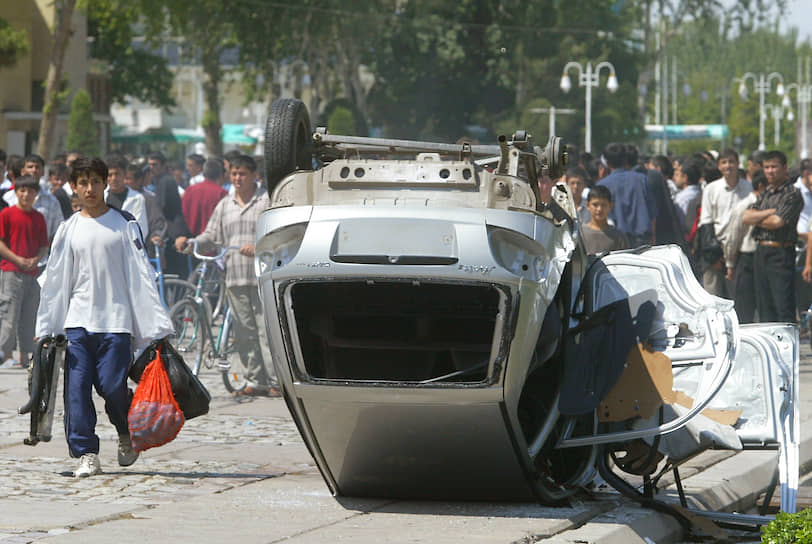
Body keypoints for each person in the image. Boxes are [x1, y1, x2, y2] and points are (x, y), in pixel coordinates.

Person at [35, 157, 174, 477]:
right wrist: (46, 326)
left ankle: (126, 431)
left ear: (105, 184)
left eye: (95, 182)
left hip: (117, 321)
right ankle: (86, 452)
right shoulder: (68, 229)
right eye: (82, 183)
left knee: (112, 386)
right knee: (78, 387)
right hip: (78, 322)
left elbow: (142, 276)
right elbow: (56, 282)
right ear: (74, 187)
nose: (89, 188)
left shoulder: (124, 224)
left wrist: (156, 325)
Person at [175, 155, 276, 397]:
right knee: (244, 332)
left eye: (242, 174)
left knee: (267, 331)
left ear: (254, 175)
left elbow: (279, 233)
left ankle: (275, 381)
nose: (237, 178)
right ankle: (254, 380)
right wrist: (190, 242)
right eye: (234, 174)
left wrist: (259, 246)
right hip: (235, 277)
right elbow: (210, 234)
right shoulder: (225, 204)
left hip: (263, 277)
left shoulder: (267, 201)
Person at [743, 150, 803, 323]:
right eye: (766, 167)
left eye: (774, 167)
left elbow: (778, 222)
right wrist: (768, 212)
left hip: (781, 253)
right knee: (764, 307)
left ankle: (789, 348)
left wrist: (758, 217)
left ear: (784, 168)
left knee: (782, 307)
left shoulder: (791, 193)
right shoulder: (765, 193)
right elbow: (746, 217)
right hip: (761, 251)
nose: (769, 171)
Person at [0, 175, 49, 368]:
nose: (26, 195)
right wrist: (18, 259)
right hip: (11, 271)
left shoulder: (38, 217)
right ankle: (5, 355)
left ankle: (24, 355)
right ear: (16, 192)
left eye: (30, 191)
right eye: (22, 191)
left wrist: (35, 260)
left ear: (36, 194)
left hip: (32, 272)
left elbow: (44, 245)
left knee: (29, 316)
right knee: (9, 314)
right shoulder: (6, 214)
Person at [697, 149, 752, 298]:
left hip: (740, 252)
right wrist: (714, 256)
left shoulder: (748, 188)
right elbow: (706, 222)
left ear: (738, 164)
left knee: (738, 301)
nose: (728, 166)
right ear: (719, 166)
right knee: (712, 300)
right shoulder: (711, 189)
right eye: (724, 162)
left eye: (731, 162)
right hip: (715, 251)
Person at [596, 143, 655, 247]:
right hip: (642, 240)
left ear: (607, 162)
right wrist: (653, 240)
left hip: (615, 240)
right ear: (625, 159)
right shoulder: (641, 179)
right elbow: (652, 214)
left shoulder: (602, 184)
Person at [728, 170, 767, 323]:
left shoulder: (770, 203)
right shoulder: (745, 206)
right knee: (745, 308)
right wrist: (731, 263)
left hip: (764, 258)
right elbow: (734, 237)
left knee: (763, 307)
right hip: (747, 259)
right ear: (761, 185)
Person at [4, 155, 64, 241]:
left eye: (37, 167)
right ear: (22, 171)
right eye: (30, 167)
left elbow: (58, 232)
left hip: (42, 253)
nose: (34, 170)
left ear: (43, 172)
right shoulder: (8, 198)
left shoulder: (52, 201)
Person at [147, 152, 188, 275]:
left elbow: (161, 207)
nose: (151, 168)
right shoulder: (159, 181)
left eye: (155, 165)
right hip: (169, 231)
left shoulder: (166, 181)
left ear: (164, 165)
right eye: (149, 165)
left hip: (174, 232)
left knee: (175, 272)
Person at [124, 164, 166, 251]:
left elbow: (157, 221)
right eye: (123, 178)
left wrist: (156, 235)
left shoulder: (149, 199)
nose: (125, 182)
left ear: (139, 180)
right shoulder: (116, 197)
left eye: (128, 179)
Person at [181, 158, 227, 237]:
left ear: (204, 174)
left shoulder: (190, 190)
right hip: (212, 240)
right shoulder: (221, 193)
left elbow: (183, 214)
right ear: (220, 175)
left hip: (191, 240)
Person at [104, 154, 149, 236]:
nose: (114, 178)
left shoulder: (137, 198)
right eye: (110, 175)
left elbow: (141, 229)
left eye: (117, 174)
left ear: (124, 175)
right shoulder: (101, 197)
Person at [581, 185, 629, 254]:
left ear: (610, 206)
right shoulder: (581, 234)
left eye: (604, 205)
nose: (599, 209)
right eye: (595, 205)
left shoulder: (618, 236)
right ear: (588, 205)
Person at [673, 156, 703, 237]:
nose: (674, 178)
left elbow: (678, 222)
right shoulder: (701, 193)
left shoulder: (681, 199)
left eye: (677, 175)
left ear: (685, 178)